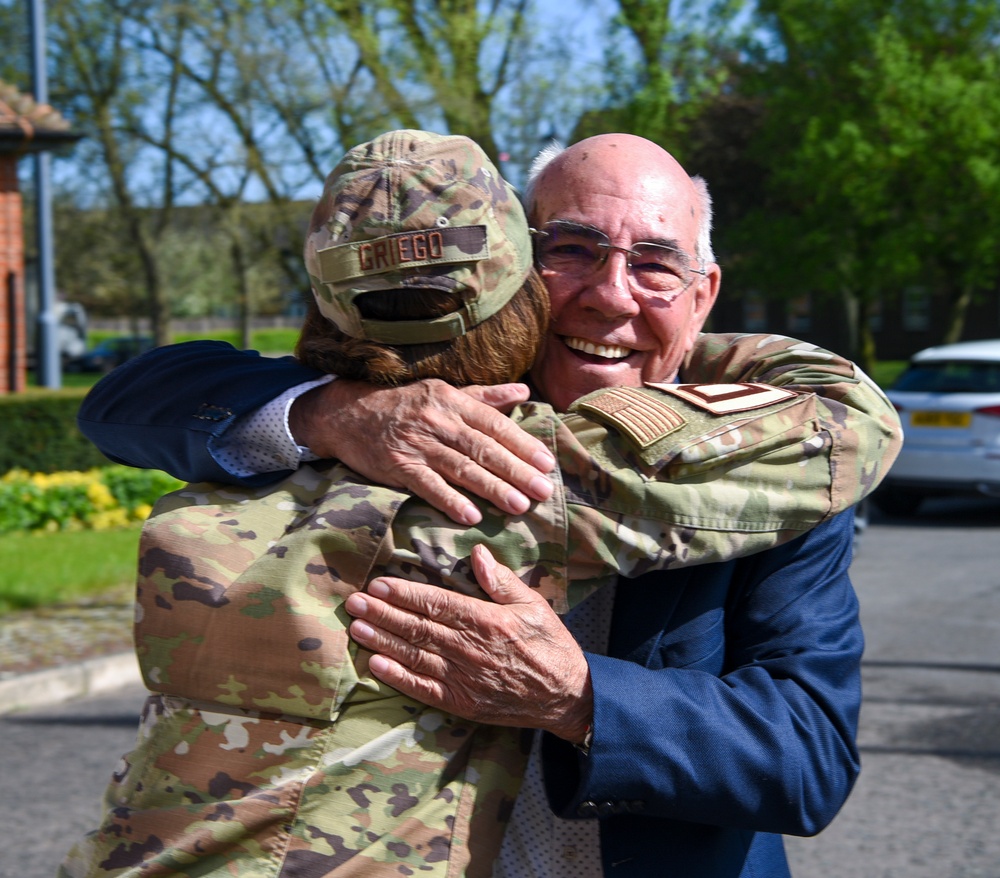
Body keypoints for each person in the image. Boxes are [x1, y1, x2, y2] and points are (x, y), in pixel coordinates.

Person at [75, 133, 902, 877]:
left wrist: (578, 695)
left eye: (656, 264)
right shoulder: (407, 408)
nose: (611, 296)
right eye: (572, 249)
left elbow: (809, 758)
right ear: (506, 263)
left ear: (704, 291)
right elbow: (129, 400)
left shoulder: (766, 477)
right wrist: (329, 413)